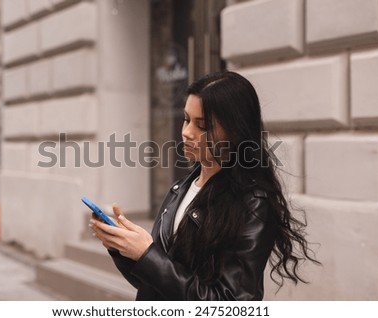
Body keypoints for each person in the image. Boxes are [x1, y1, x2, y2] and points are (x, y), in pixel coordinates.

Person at [90, 71, 319, 300]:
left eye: (203, 125)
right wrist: (123, 247)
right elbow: (153, 284)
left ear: (234, 131)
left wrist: (147, 255)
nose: (187, 133)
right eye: (186, 119)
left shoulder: (253, 203)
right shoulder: (181, 189)